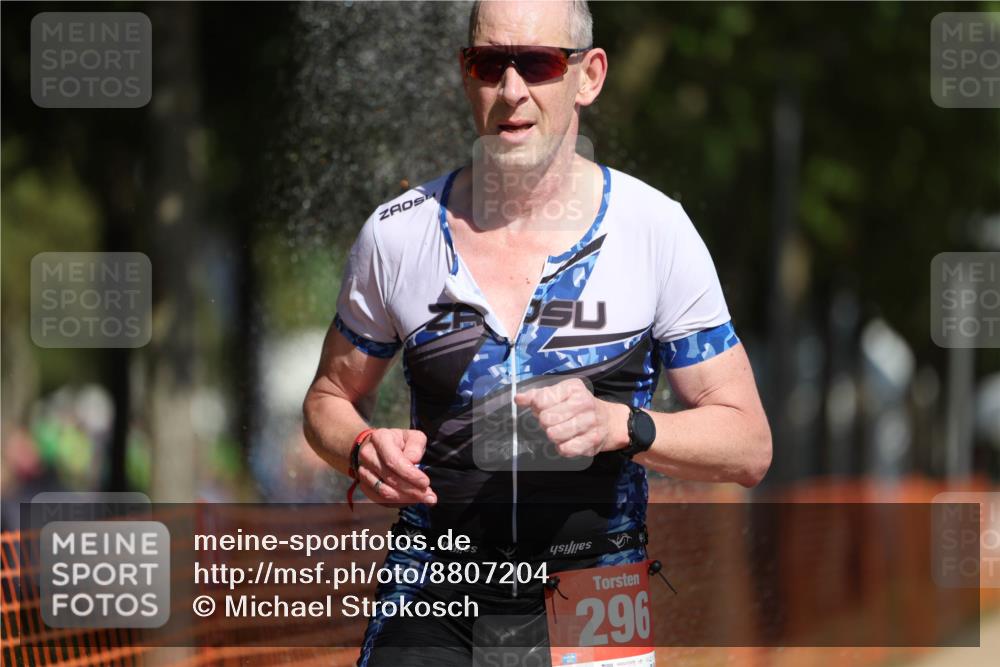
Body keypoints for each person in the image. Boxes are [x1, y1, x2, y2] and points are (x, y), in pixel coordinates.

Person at [303, 1, 772, 664]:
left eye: (539, 63)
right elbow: (326, 396)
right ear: (466, 76)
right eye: (490, 63)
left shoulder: (654, 229)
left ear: (589, 75)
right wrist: (358, 446)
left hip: (594, 598)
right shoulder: (399, 232)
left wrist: (622, 426)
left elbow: (748, 444)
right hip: (437, 589)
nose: (512, 89)